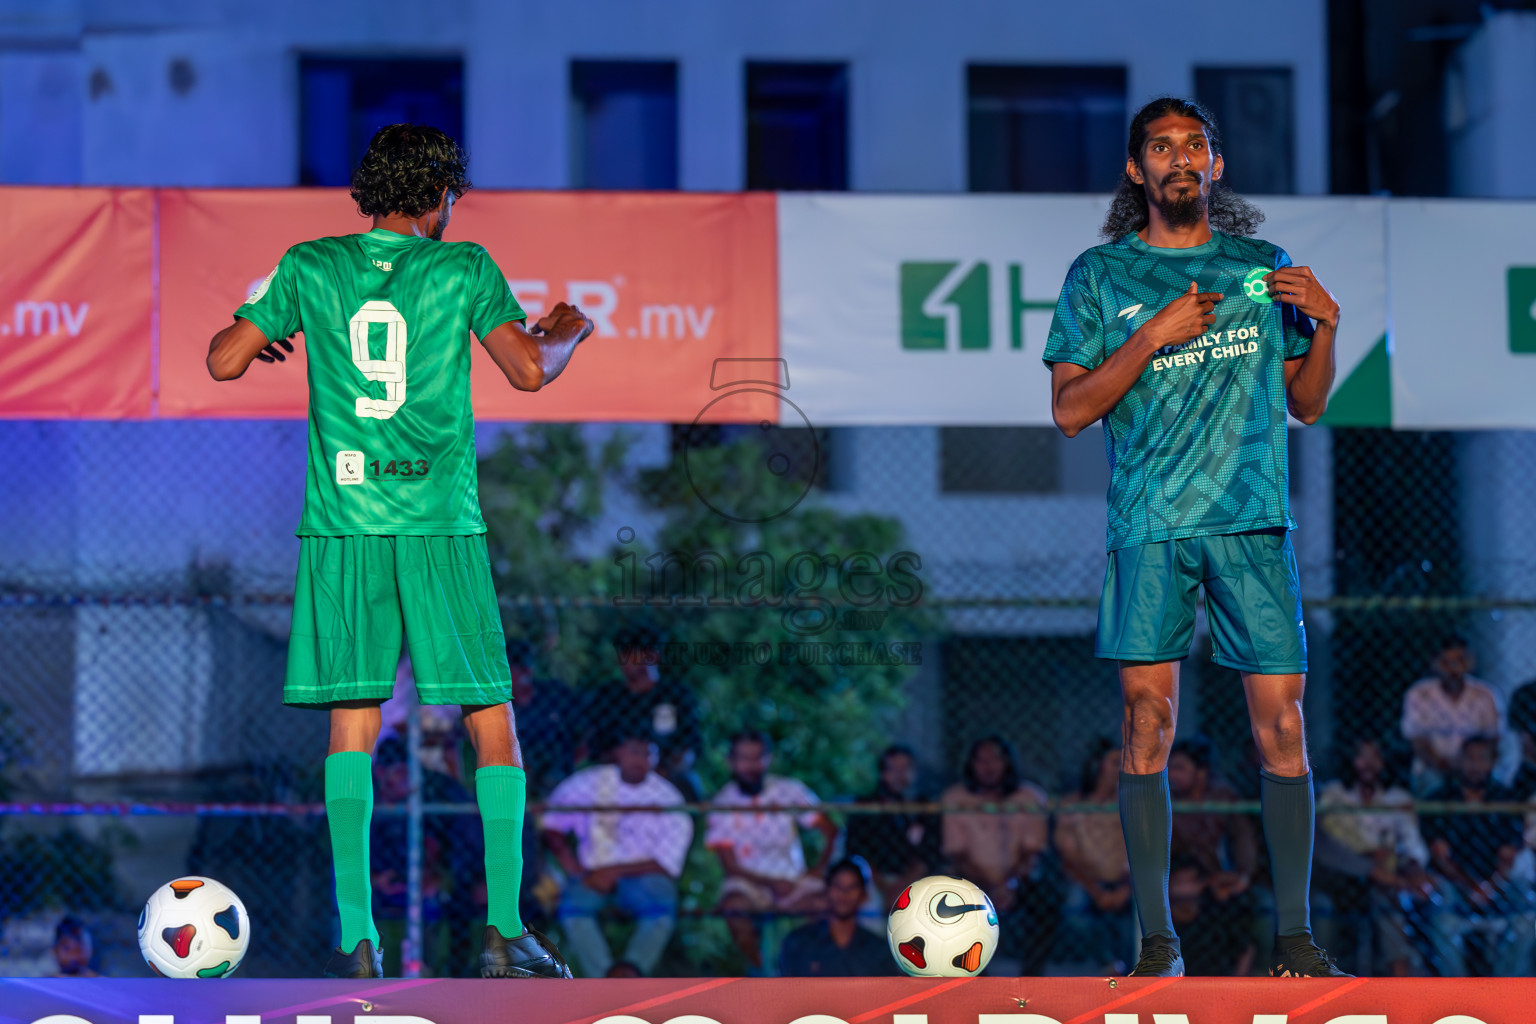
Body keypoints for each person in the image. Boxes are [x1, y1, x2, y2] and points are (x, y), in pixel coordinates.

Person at [206, 123, 593, 980]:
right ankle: (504, 932)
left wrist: (262, 331)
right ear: (440, 196)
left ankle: (357, 938)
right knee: (492, 722)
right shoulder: (462, 267)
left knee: (353, 726)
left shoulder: (308, 263)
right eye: (454, 196)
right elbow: (530, 370)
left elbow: (223, 359)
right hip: (436, 525)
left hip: (343, 525)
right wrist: (568, 329)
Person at [1042, 95, 1344, 978]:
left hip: (1251, 520)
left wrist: (1327, 324)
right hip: (1151, 525)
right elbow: (1069, 411)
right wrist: (1154, 337)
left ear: (1216, 167)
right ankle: (1155, 946)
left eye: (1195, 145)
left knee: (1282, 727)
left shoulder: (1261, 267)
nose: (1180, 158)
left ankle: (1294, 938)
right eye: (1162, 147)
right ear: (1137, 171)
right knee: (1146, 722)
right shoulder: (1100, 277)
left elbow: (1309, 402)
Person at [540, 728, 693, 977]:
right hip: (591, 875)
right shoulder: (589, 782)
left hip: (643, 877)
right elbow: (551, 825)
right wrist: (573, 869)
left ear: (655, 759)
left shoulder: (668, 797)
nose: (639, 760)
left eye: (647, 754)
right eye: (633, 751)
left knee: (663, 903)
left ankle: (631, 972)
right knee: (572, 906)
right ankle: (602, 979)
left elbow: (668, 866)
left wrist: (612, 872)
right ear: (618, 753)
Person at [706, 730, 839, 970]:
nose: (751, 766)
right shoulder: (722, 803)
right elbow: (730, 867)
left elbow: (830, 830)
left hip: (794, 879)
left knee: (826, 905)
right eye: (744, 758)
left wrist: (819, 870)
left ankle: (816, 971)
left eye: (758, 757)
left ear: (768, 759)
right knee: (733, 908)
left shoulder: (789, 790)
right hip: (748, 882)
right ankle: (765, 973)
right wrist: (770, 883)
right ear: (731, 762)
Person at [1419, 735, 1535, 977]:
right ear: (1459, 761)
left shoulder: (1507, 800)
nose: (1475, 765)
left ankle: (1504, 993)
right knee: (1442, 918)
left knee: (1528, 920)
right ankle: (1456, 994)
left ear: (1493, 762)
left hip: (1497, 884)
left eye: (1482, 758)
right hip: (1455, 885)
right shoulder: (1439, 798)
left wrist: (1489, 887)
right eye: (1469, 758)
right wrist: (1472, 886)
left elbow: (1508, 856)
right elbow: (1441, 856)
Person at [370, 738, 484, 976]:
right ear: (379, 772)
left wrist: (437, 877)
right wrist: (374, 879)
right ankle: (370, 979)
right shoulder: (363, 795)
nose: (402, 780)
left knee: (455, 900)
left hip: (439, 875)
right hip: (386, 877)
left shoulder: (441, 792)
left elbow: (463, 847)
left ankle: (451, 975)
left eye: (406, 771)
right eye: (394, 772)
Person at [1314, 737, 1428, 976]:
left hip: (1387, 876)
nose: (1368, 764)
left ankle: (1401, 974)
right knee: (1379, 884)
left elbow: (1412, 845)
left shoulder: (1397, 799)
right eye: (1361, 756)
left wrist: (1408, 866)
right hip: (1342, 877)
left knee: (1388, 893)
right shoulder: (1334, 795)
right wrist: (1369, 861)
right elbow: (1332, 843)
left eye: (1374, 757)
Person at [940, 735, 1053, 975]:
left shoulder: (1030, 798)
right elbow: (957, 854)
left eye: (995, 759)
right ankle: (975, 977)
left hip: (1019, 880)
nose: (988, 767)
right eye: (981, 760)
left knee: (1047, 898)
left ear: (1008, 763)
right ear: (971, 765)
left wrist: (1009, 884)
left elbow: (1033, 852)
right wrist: (988, 887)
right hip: (973, 879)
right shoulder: (955, 799)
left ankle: (1032, 979)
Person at [582, 626, 703, 800]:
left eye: (630, 653)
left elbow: (688, 747)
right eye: (622, 653)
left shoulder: (676, 695)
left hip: (664, 774)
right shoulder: (607, 695)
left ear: (653, 656)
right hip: (617, 773)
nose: (623, 660)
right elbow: (595, 745)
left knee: (687, 783)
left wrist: (662, 771)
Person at [1053, 737, 1133, 973]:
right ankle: (1107, 966)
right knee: (1078, 908)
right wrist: (1097, 891)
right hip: (1087, 882)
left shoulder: (1134, 804)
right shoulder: (1072, 805)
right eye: (1114, 762)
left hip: (1127, 880)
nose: (1121, 769)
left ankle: (1132, 973)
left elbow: (1145, 855)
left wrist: (1124, 889)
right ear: (1096, 765)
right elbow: (1069, 860)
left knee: (1138, 914)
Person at [1401, 637, 1503, 796]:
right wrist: (1445, 767)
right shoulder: (1419, 694)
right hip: (1432, 769)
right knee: (1431, 786)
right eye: (1446, 662)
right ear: (1434, 664)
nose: (1454, 668)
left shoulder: (1486, 694)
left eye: (1460, 661)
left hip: (1476, 769)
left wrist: (1472, 766)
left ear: (1470, 662)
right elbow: (1418, 741)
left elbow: (1492, 739)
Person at [844, 743, 942, 908]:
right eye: (893, 769)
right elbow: (857, 849)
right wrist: (883, 886)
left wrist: (904, 884)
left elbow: (932, 852)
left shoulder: (925, 807)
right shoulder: (866, 806)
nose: (900, 775)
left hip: (916, 880)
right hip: (874, 881)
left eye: (905, 768)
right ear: (883, 773)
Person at [1166, 737, 1259, 903]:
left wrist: (1242, 875)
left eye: (1179, 768)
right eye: (1170, 768)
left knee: (1259, 904)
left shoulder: (1223, 797)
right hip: (1184, 880)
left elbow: (1243, 838)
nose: (1172, 775)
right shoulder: (1169, 801)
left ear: (1201, 772)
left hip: (1223, 877)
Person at [778, 858, 899, 977]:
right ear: (827, 890)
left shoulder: (878, 949)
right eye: (837, 886)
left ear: (863, 895)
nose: (844, 893)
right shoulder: (798, 944)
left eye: (852, 887)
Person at [1167, 857, 1257, 977]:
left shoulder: (1217, 914)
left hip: (1220, 985)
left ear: (1201, 884)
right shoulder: (1161, 923)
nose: (1185, 888)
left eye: (1191, 881)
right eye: (1179, 882)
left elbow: (1245, 949)